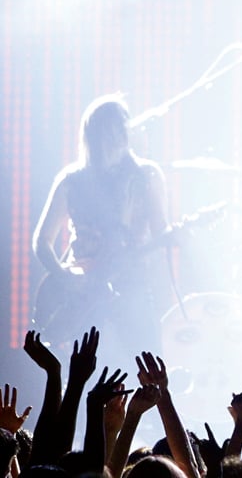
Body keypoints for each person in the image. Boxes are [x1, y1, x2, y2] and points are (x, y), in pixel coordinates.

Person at [31, 94, 170, 370]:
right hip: (82, 292)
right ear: (93, 134)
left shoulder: (146, 176)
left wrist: (169, 249)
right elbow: (42, 240)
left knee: (146, 367)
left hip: (132, 286)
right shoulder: (72, 181)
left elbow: (161, 235)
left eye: (120, 128)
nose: (115, 136)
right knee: (84, 371)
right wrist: (64, 275)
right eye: (107, 129)